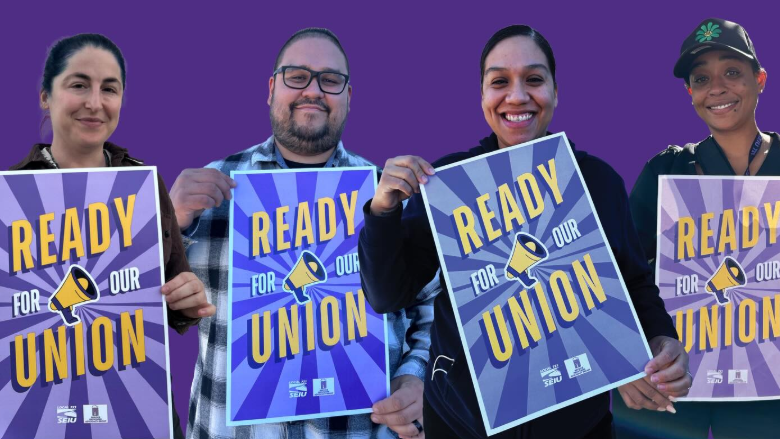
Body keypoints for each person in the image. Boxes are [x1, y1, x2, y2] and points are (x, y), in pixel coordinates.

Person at [357, 24, 692, 439]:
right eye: (499, 82)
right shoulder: (447, 186)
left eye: (534, 79)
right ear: (482, 96)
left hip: (578, 425)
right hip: (461, 424)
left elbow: (634, 281)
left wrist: (661, 338)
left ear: (555, 92)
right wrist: (383, 210)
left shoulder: (597, 180)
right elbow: (389, 295)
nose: (517, 96)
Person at [172, 28, 435, 439]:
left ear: (348, 97)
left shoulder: (387, 194)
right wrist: (170, 225)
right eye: (297, 76)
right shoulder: (211, 187)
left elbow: (433, 307)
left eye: (330, 80)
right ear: (271, 89)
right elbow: (151, 310)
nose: (313, 91)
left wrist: (417, 377)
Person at [10, 33, 215, 439]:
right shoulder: (10, 197)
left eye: (109, 89)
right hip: (42, 416)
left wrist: (188, 300)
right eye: (78, 84)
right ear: (45, 97)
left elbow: (171, 300)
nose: (94, 102)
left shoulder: (145, 184)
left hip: (140, 414)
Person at [616, 18, 780, 439]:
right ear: (690, 93)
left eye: (732, 72)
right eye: (702, 79)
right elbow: (620, 273)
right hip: (674, 378)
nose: (717, 88)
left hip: (770, 389)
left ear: (760, 80)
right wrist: (624, 361)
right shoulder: (665, 170)